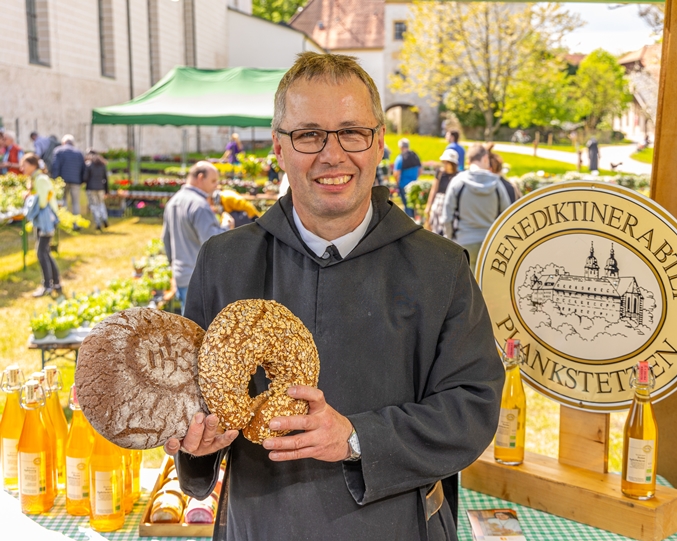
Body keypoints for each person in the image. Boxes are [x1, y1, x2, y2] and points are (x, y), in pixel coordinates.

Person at [163, 52, 504, 541]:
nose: (332, 155)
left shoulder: (441, 268)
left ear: (379, 143)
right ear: (279, 148)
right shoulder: (224, 262)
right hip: (259, 525)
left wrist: (356, 438)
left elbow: (472, 406)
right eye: (309, 135)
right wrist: (198, 443)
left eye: (352, 132)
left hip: (396, 528)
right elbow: (193, 402)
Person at [161, 161, 234, 314]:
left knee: (188, 324)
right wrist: (227, 227)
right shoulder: (199, 205)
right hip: (200, 280)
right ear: (200, 178)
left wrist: (174, 268)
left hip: (182, 276)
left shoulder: (173, 201)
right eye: (213, 181)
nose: (216, 186)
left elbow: (166, 239)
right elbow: (212, 242)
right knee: (204, 326)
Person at [441, 143, 510, 272]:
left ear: (468, 161)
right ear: (485, 158)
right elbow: (508, 216)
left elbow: (446, 217)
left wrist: (449, 240)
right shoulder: (497, 184)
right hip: (489, 245)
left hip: (463, 242)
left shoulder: (457, 182)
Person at [21, 153, 62, 298]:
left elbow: (43, 202)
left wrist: (30, 198)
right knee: (45, 252)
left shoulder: (40, 179)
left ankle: (47, 286)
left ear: (33, 165)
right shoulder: (36, 179)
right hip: (42, 221)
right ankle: (56, 283)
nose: (22, 168)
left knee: (41, 253)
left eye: (24, 165)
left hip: (46, 222)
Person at [50, 134, 86, 229]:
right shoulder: (78, 152)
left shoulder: (58, 151)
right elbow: (83, 168)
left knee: (63, 201)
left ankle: (65, 223)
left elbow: (55, 166)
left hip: (62, 181)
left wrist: (55, 179)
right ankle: (76, 224)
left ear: (63, 142)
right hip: (76, 181)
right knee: (76, 202)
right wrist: (82, 180)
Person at [424, 148, 458, 236]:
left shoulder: (458, 176)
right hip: (438, 205)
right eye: (444, 162)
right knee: (436, 231)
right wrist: (428, 206)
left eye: (447, 162)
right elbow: (434, 189)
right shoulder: (440, 173)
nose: (445, 165)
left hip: (450, 205)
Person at [392, 137, 421, 218]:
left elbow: (396, 173)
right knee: (413, 205)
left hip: (404, 185)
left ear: (401, 147)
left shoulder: (400, 158)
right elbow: (420, 170)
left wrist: (397, 182)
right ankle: (414, 220)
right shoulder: (415, 156)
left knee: (407, 205)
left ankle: (410, 221)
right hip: (414, 185)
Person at [83, 150, 109, 231]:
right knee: (101, 204)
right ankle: (104, 218)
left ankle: (98, 222)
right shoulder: (102, 165)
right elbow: (105, 179)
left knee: (94, 205)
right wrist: (107, 191)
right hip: (101, 188)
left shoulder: (89, 165)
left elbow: (85, 178)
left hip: (91, 188)